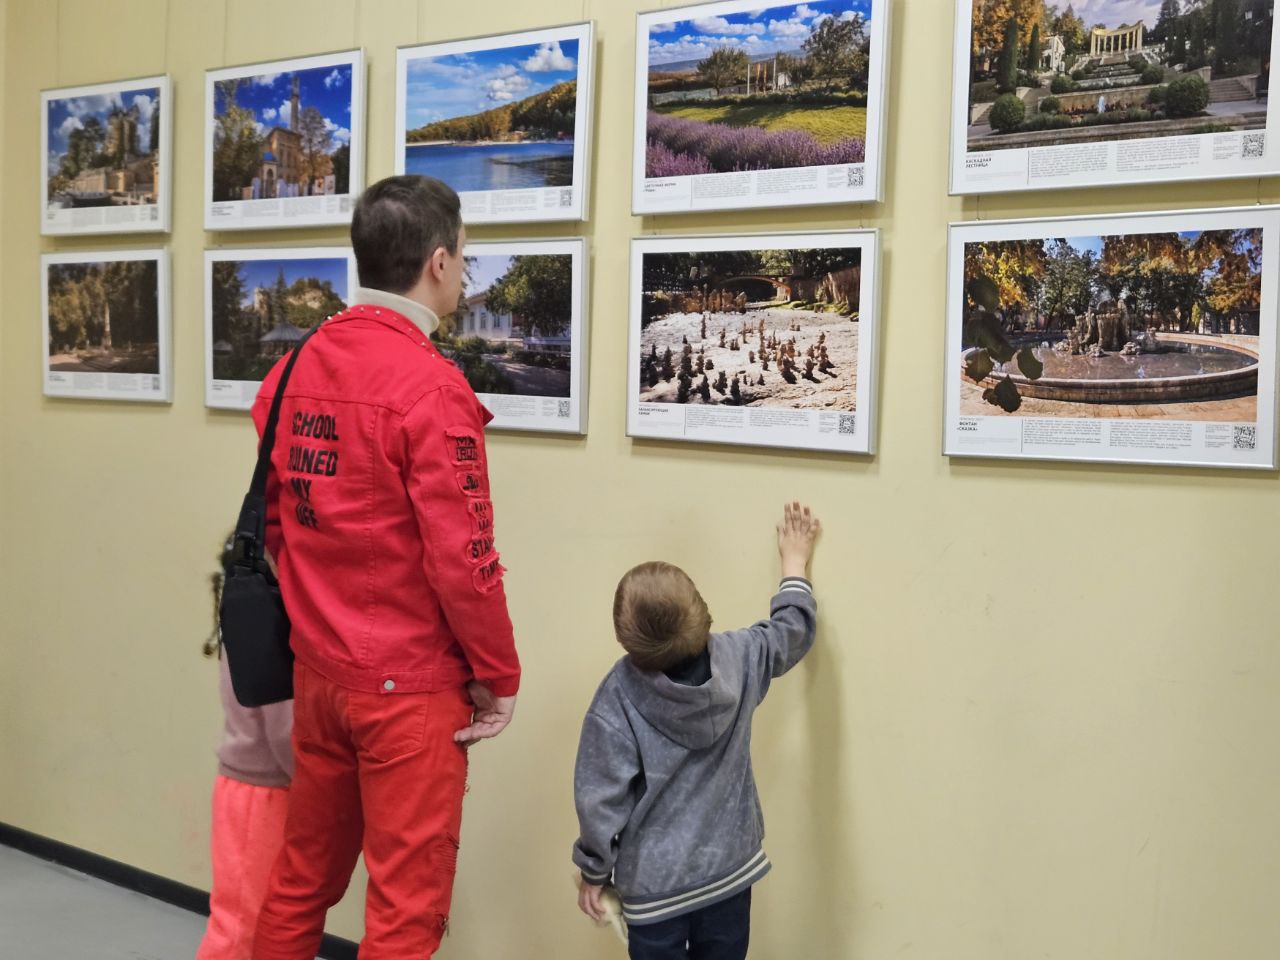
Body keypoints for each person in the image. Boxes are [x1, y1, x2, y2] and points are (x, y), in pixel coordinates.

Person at [250, 175, 521, 960]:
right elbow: (464, 561)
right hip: (408, 689)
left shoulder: (297, 367)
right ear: (438, 262)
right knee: (405, 914)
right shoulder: (432, 388)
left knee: (301, 880)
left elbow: (275, 520)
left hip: (319, 673)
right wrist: (498, 675)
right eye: (464, 257)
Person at [572, 503, 821, 960]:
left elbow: (599, 797)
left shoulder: (618, 694)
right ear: (704, 611)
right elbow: (793, 632)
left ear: (626, 640)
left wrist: (593, 871)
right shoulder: (743, 657)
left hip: (655, 892)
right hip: (729, 872)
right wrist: (794, 563)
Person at [196, 534, 294, 960]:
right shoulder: (264, 632)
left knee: (254, 917)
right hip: (262, 794)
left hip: (255, 790)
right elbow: (281, 728)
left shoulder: (242, 621)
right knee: (242, 924)